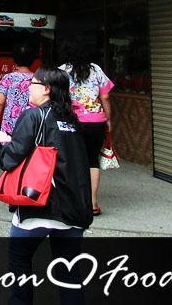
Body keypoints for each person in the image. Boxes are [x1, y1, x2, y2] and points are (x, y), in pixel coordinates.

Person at [2, 68, 93, 305]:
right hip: (74, 209)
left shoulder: (34, 116)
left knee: (20, 259)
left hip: (40, 205)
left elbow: (10, 159)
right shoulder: (73, 120)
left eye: (33, 83)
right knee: (68, 272)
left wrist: (5, 143)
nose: (28, 87)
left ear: (46, 89)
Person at [59, 40, 114, 216]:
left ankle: (73, 201)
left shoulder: (62, 71)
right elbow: (105, 97)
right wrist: (109, 119)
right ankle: (92, 203)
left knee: (71, 161)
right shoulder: (96, 69)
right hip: (96, 121)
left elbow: (58, 98)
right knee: (92, 161)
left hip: (71, 121)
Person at [0, 43, 37, 136]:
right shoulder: (37, 79)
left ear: (15, 59)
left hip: (9, 126)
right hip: (30, 125)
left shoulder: (8, 78)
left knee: (9, 149)